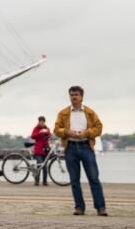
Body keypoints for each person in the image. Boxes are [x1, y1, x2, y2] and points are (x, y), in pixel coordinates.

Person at [53, 86, 107, 216]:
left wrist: (86, 133)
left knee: (94, 178)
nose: (74, 97)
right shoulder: (63, 113)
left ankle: (100, 207)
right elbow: (56, 130)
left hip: (86, 147)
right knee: (74, 180)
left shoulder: (90, 112)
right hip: (70, 147)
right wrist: (67, 132)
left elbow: (99, 128)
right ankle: (79, 207)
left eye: (76, 94)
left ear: (82, 97)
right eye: (71, 95)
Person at [30, 116, 51, 186]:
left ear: (44, 122)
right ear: (38, 122)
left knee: (45, 166)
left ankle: (45, 181)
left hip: (45, 150)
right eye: (40, 121)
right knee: (39, 164)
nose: (41, 123)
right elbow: (32, 136)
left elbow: (49, 135)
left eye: (43, 121)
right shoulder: (36, 128)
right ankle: (37, 181)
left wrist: (46, 132)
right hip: (38, 150)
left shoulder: (47, 128)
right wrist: (39, 133)